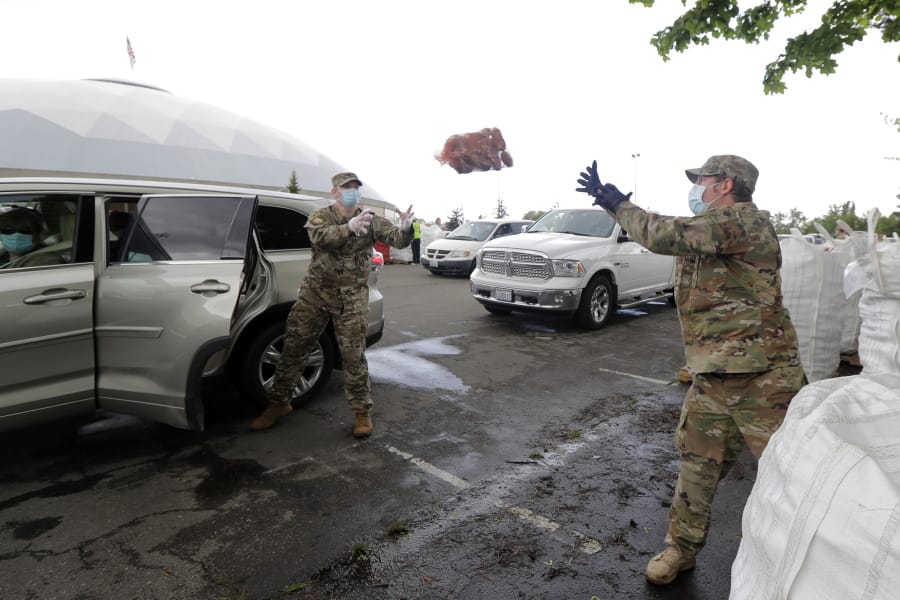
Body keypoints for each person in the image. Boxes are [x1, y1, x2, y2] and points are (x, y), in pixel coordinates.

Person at [576, 155, 804, 585]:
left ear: (725, 185)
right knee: (697, 466)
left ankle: (801, 563)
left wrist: (617, 204)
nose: (696, 185)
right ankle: (680, 550)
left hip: (764, 380)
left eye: (702, 179)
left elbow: (665, 235)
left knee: (790, 471)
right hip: (714, 374)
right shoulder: (714, 228)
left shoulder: (743, 222)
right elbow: (675, 242)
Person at [250, 172, 415, 437]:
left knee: (353, 357)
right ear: (335, 192)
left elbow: (397, 239)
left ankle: (362, 413)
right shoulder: (320, 216)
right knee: (293, 347)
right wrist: (349, 228)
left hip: (351, 299)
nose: (352, 191)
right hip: (316, 295)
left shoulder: (371, 220)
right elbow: (319, 238)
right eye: (346, 188)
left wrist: (406, 228)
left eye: (355, 188)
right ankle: (279, 403)